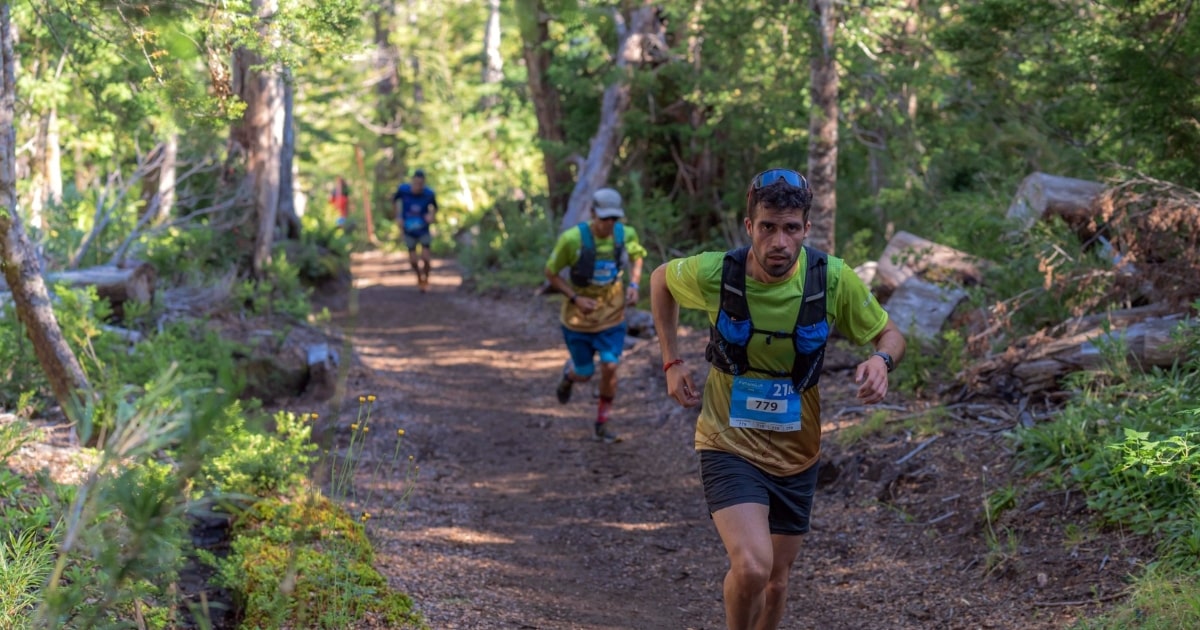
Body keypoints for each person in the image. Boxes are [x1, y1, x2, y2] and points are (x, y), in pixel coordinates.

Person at [649, 168, 906, 630]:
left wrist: (881, 361)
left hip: (797, 450)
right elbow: (661, 280)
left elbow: (890, 333)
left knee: (777, 580)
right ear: (750, 227)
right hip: (728, 439)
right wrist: (672, 360)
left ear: (806, 229)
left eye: (790, 229)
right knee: (751, 566)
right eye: (768, 227)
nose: (779, 242)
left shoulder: (832, 279)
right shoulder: (717, 271)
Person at [544, 188, 646, 444]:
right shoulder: (572, 240)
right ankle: (569, 377)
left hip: (612, 316)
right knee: (585, 372)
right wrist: (575, 298)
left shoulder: (626, 235)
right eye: (604, 219)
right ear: (592, 214)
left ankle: (602, 423)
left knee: (611, 365)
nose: (609, 224)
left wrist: (633, 285)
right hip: (578, 319)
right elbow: (551, 273)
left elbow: (637, 257)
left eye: (614, 219)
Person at [393, 169, 438, 292]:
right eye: (416, 183)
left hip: (423, 229)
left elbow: (435, 207)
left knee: (426, 258)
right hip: (408, 230)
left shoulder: (429, 193)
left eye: (421, 184)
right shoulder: (403, 190)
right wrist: (398, 217)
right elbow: (394, 201)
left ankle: (426, 279)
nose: (418, 186)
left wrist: (432, 216)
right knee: (413, 260)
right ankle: (419, 277)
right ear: (412, 181)